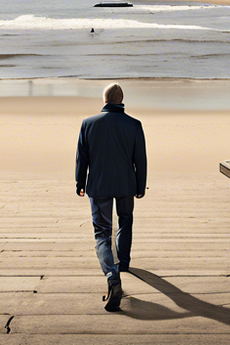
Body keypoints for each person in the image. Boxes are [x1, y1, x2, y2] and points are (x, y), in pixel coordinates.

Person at [75, 83, 147, 312]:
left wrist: (80, 182)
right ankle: (122, 262)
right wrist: (140, 184)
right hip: (126, 183)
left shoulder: (89, 123)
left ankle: (112, 274)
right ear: (122, 100)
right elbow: (140, 159)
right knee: (125, 220)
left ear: (104, 100)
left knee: (102, 232)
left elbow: (82, 157)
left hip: (99, 184)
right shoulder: (134, 125)